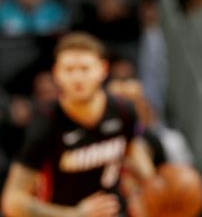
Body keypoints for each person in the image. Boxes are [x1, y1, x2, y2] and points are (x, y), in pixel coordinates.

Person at [1, 32, 155, 217]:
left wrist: (150, 186)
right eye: (69, 69)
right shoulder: (45, 124)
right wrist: (74, 214)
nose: (77, 77)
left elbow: (133, 151)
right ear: (56, 73)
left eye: (84, 68)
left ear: (103, 69)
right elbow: (13, 201)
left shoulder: (124, 110)